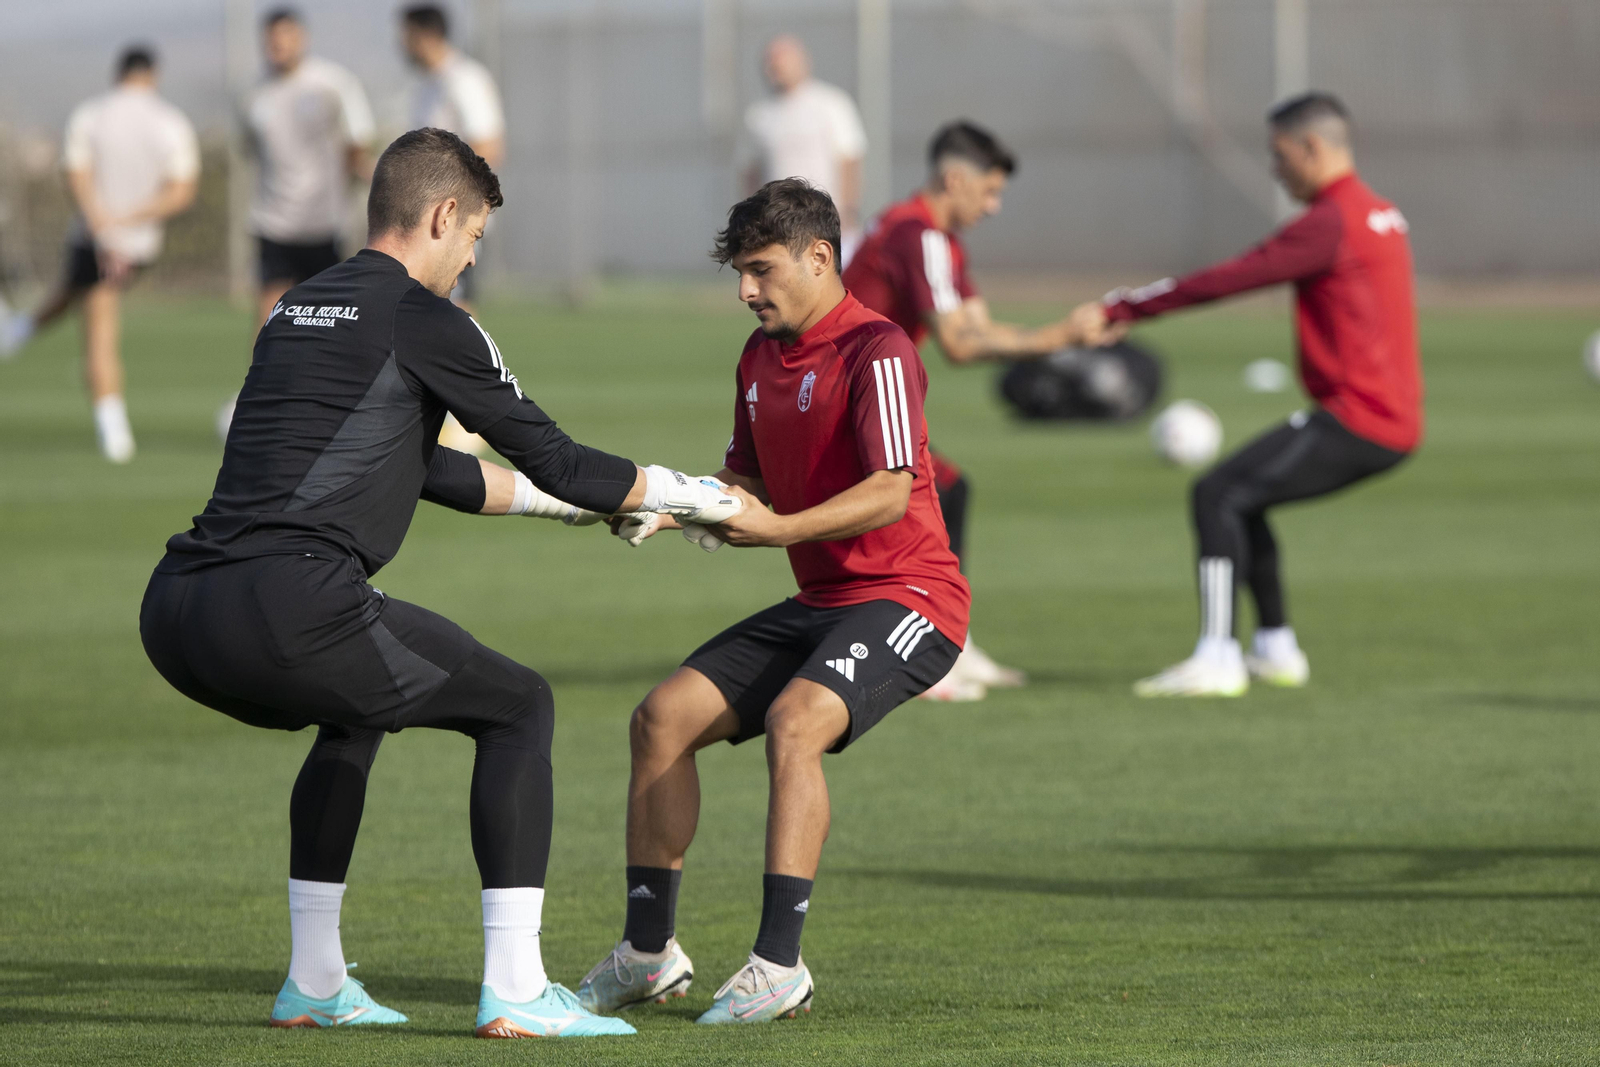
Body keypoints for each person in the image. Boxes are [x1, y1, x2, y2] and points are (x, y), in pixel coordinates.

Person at [138, 128, 741, 1038]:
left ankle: (314, 980)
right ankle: (517, 988)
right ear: (443, 214)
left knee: (357, 709)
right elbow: (559, 456)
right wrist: (692, 495)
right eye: (475, 240)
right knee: (519, 706)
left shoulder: (299, 305)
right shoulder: (425, 318)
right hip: (288, 606)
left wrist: (579, 511)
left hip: (178, 606)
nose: (469, 261)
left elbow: (430, 472)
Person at [575, 179, 970, 1025]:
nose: (746, 291)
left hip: (912, 596)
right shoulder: (759, 358)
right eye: (740, 274)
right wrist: (667, 503)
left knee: (797, 721)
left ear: (819, 258)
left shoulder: (880, 348)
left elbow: (893, 491)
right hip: (826, 598)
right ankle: (648, 954)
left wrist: (784, 525)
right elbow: (741, 481)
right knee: (661, 719)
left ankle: (777, 966)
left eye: (761, 270)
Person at [1075, 93, 1422, 697]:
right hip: (1384, 416)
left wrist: (1125, 307)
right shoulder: (1379, 211)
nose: (1274, 167)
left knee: (1218, 492)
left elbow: (1232, 277)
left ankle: (1217, 656)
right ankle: (1276, 648)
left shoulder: (1330, 221)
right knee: (1246, 497)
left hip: (1358, 418)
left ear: (1312, 148)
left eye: (1279, 153)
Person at [844, 121, 1103, 699]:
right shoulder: (918, 235)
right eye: (989, 191)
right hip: (849, 405)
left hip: (865, 400)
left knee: (949, 492)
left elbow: (978, 326)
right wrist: (1060, 337)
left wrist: (1056, 335)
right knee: (914, 512)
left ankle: (947, 639)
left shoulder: (936, 238)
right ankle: (919, 653)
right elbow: (962, 346)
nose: (995, 206)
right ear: (953, 178)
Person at [0, 46, 198, 463]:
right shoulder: (170, 121)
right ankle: (16, 333)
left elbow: (76, 173)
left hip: (98, 239)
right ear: (152, 75)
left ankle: (114, 433)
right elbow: (181, 191)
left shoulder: (92, 114)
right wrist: (132, 219)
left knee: (99, 325)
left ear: (118, 73)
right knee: (72, 294)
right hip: (138, 245)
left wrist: (106, 225)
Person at [400, 1, 508, 456]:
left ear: (425, 34)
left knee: (458, 313)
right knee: (437, 310)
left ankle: (474, 417)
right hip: (429, 223)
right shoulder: (426, 86)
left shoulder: (466, 79)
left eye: (404, 35)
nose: (399, 45)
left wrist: (458, 212)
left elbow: (488, 145)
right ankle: (448, 408)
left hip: (454, 223)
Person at [246, 7, 375, 330]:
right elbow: (248, 146)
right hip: (273, 221)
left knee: (326, 319)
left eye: (286, 37)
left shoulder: (332, 84)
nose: (278, 45)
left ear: (302, 38)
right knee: (269, 318)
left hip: (323, 222)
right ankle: (265, 381)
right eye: (272, 39)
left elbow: (358, 141)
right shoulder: (253, 93)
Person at [740, 36, 867, 262]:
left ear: (802, 62)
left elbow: (849, 159)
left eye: (782, 60)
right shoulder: (759, 116)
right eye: (770, 62)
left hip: (825, 218)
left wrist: (847, 210)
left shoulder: (831, 103)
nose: (776, 67)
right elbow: (751, 171)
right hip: (778, 222)